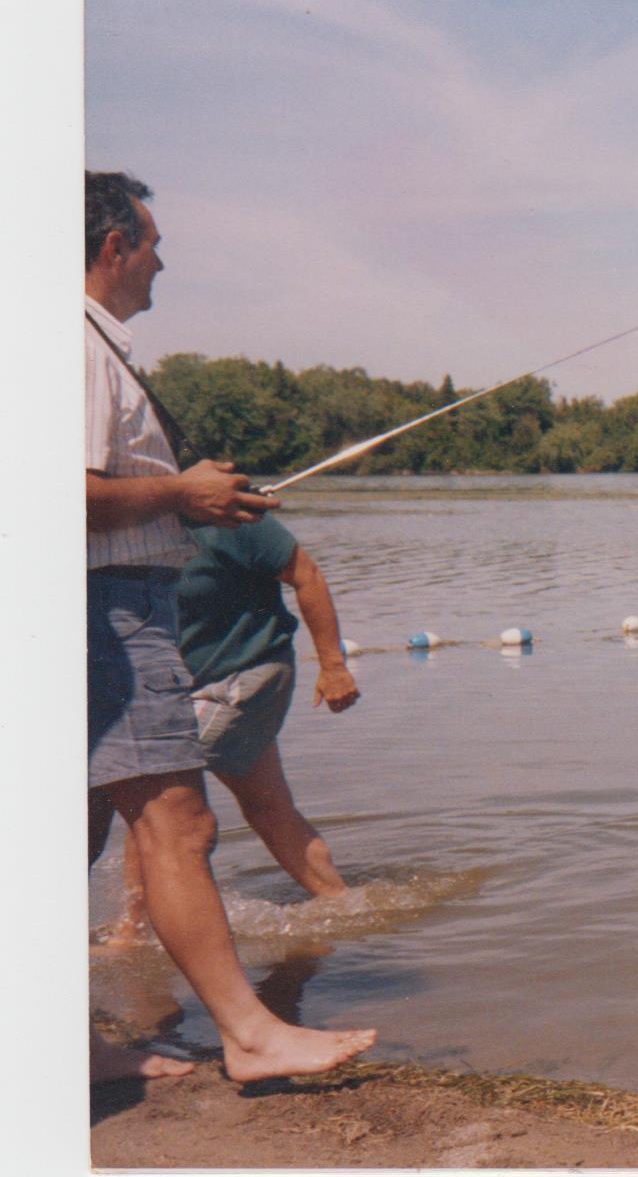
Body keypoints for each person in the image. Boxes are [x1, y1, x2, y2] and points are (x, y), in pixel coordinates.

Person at [86, 170, 377, 1083]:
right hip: (107, 608)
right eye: (154, 243)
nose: (162, 262)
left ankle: (63, 1041)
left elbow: (301, 572)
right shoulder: (75, 347)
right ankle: (249, 1033)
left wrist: (189, 498)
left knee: (90, 826)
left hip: (151, 628)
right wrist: (181, 492)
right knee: (177, 822)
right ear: (114, 247)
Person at [113, 515, 361, 941]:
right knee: (268, 808)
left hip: (247, 676)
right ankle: (347, 906)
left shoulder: (230, 519)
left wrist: (333, 665)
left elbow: (308, 575)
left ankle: (131, 933)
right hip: (188, 687)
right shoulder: (127, 526)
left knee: (155, 792)